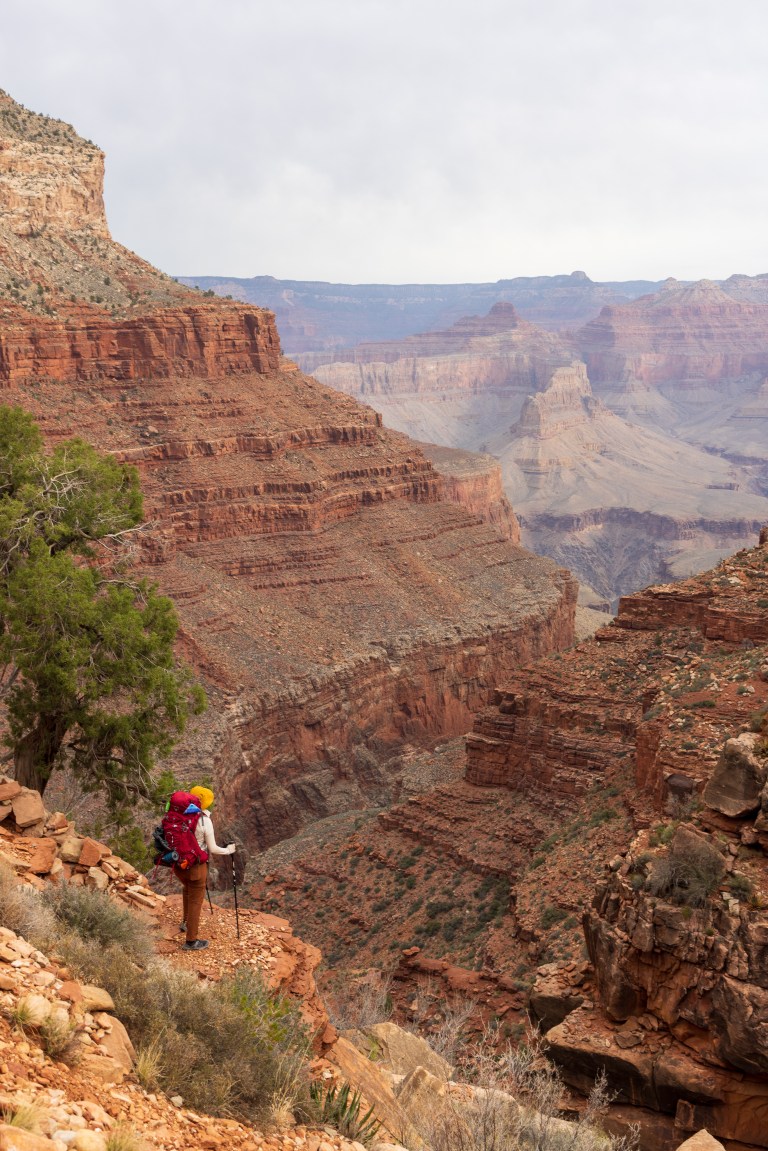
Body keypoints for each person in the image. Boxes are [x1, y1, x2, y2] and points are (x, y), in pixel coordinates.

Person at [174, 785, 235, 951]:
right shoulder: (203, 820)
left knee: (187, 889)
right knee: (196, 900)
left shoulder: (178, 815)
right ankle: (191, 941)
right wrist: (228, 850)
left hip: (179, 864)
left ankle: (185, 922)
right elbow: (213, 848)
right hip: (195, 867)